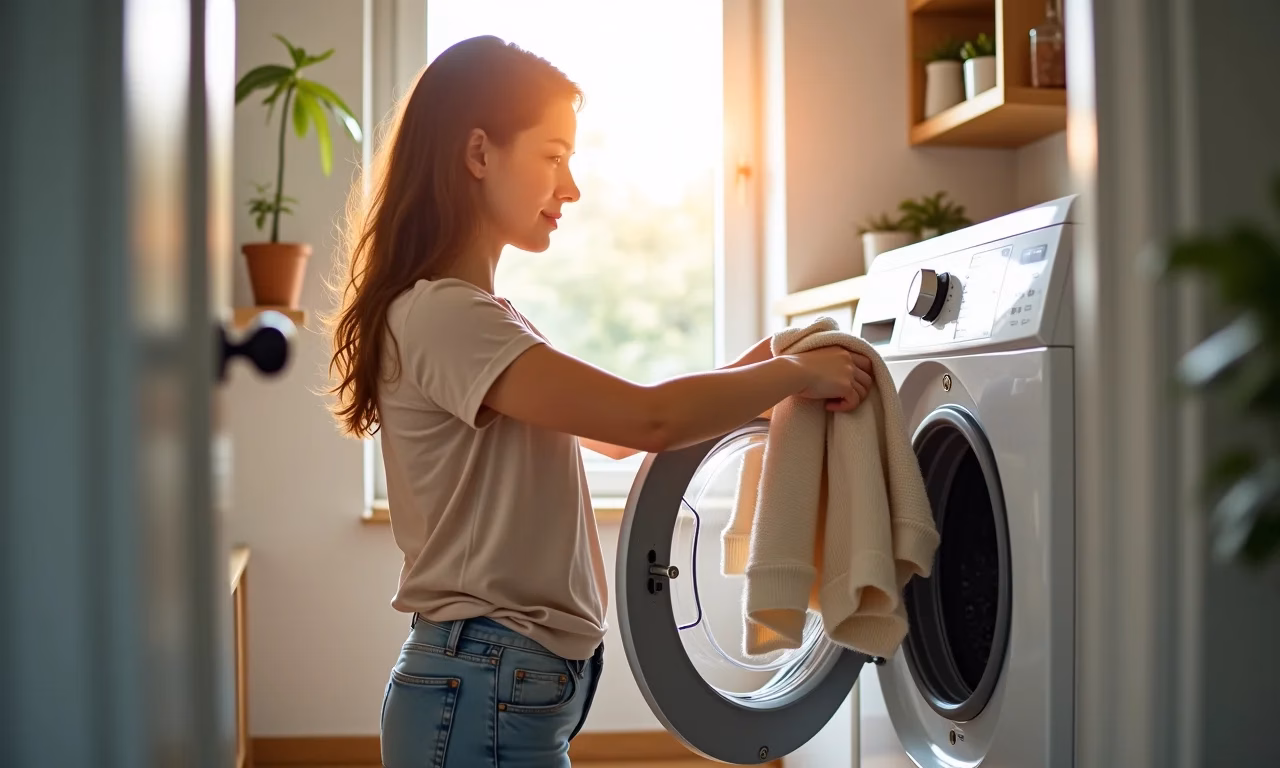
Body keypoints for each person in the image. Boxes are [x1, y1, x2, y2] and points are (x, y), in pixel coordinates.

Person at [325, 34, 874, 768]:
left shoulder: (483, 316)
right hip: (482, 679)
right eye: (553, 156)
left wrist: (767, 363)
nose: (572, 187)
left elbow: (618, 436)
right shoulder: (448, 317)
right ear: (479, 154)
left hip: (494, 681)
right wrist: (797, 378)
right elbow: (646, 419)